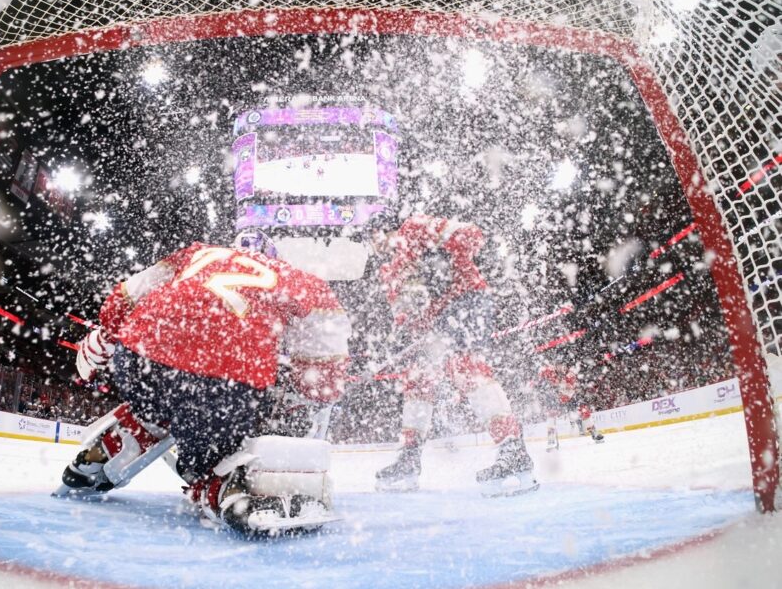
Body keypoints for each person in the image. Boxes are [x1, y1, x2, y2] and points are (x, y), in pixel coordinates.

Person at [56, 230, 352, 534]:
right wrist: (310, 386)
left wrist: (106, 334)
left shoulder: (194, 253)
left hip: (138, 358)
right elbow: (324, 370)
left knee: (163, 401)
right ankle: (222, 486)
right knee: (214, 445)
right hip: (221, 376)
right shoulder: (300, 281)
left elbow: (123, 298)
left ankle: (124, 438)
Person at [369, 213, 537, 497]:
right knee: (418, 380)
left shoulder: (415, 228)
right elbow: (405, 316)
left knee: (466, 369)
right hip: (435, 322)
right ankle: (409, 458)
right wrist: (415, 324)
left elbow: (473, 234)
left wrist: (440, 259)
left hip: (467, 299)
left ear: (383, 231)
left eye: (371, 238)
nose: (372, 247)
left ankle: (513, 449)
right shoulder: (389, 272)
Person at [536, 364, 604, 449]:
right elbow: (539, 380)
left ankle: (594, 433)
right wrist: (547, 387)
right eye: (559, 365)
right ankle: (551, 439)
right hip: (554, 398)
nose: (561, 368)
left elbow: (570, 391)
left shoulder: (570, 376)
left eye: (563, 366)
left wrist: (561, 388)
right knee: (551, 415)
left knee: (584, 411)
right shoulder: (548, 370)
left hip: (570, 398)